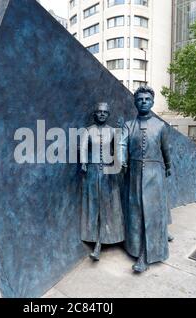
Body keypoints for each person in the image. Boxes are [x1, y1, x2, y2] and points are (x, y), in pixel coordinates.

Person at [119, 86, 172, 273]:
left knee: (152, 212)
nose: (143, 102)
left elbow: (166, 149)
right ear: (135, 102)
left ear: (152, 102)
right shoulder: (128, 125)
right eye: (140, 99)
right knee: (136, 212)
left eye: (147, 99)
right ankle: (137, 247)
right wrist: (123, 160)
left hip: (154, 173)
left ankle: (147, 254)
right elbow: (122, 143)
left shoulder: (160, 126)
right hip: (134, 173)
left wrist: (169, 166)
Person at [80, 102, 125, 261]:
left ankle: (114, 237)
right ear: (95, 114)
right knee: (95, 205)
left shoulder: (113, 131)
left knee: (110, 205)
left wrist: (120, 162)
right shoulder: (88, 130)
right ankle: (97, 241)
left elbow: (119, 148)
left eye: (105, 113)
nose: (102, 115)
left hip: (109, 172)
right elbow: (84, 147)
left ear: (108, 115)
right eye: (99, 112)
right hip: (92, 172)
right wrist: (84, 162)